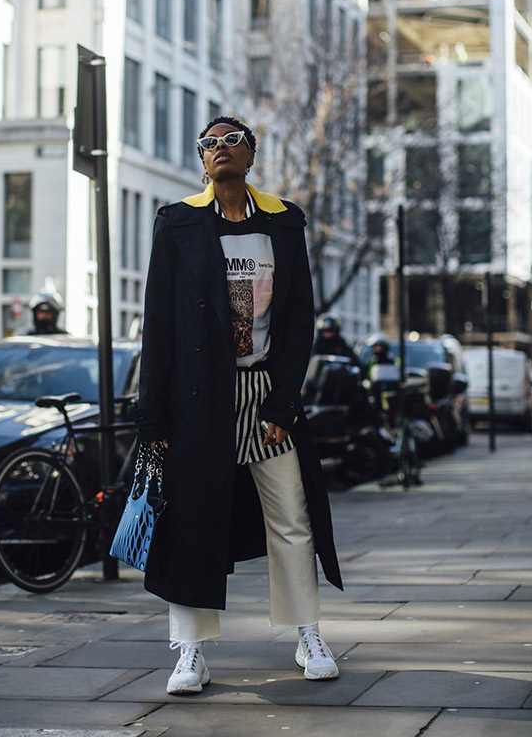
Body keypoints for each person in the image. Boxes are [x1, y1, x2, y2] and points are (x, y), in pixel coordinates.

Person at [135, 115, 343, 696]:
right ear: (202, 161)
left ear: (251, 155)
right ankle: (191, 652)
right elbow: (160, 325)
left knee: (292, 519)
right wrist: (152, 412)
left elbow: (298, 320)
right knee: (191, 522)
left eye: (232, 141)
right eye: (209, 143)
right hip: (198, 402)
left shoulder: (282, 223)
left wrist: (283, 400)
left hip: (265, 398)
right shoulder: (177, 224)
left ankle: (308, 635)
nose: (220, 149)